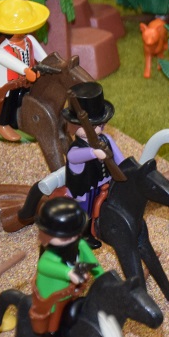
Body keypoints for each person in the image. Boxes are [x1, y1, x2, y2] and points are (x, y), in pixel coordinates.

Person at [31, 197, 105, 337]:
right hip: (53, 293)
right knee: (56, 314)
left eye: (74, 234)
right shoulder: (50, 256)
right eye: (65, 237)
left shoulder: (80, 245)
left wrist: (103, 278)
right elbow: (44, 265)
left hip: (74, 290)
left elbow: (93, 264)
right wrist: (68, 272)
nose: (71, 239)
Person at [0, 0, 50, 142]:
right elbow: (13, 63)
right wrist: (26, 71)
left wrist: (49, 64)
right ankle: (1, 124)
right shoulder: (1, 51)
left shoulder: (29, 40)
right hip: (7, 83)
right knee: (9, 97)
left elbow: (42, 56)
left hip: (28, 78)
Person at [63, 82, 123, 248]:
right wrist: (93, 153)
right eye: (90, 126)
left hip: (106, 183)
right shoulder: (77, 148)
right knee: (85, 211)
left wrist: (127, 170)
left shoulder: (106, 139)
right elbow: (73, 156)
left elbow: (120, 159)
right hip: (84, 189)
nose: (96, 129)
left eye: (98, 125)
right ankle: (84, 235)